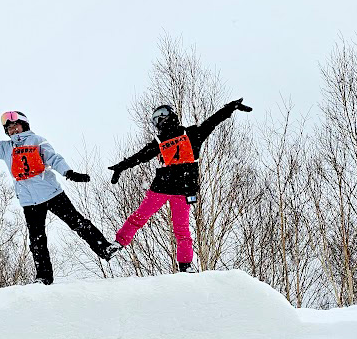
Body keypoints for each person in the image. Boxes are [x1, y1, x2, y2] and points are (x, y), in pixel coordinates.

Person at [0, 111, 120, 285]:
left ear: (24, 125)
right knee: (37, 239)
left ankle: (104, 248)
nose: (14, 131)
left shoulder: (37, 141)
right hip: (29, 202)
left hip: (52, 193)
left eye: (16, 127)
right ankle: (44, 277)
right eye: (10, 129)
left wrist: (69, 173)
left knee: (77, 223)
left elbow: (54, 158)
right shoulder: (6, 148)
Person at [107, 99, 252, 272]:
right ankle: (121, 245)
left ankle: (184, 265)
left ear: (166, 117)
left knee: (173, 228)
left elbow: (212, 122)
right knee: (171, 227)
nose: (157, 123)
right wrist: (121, 167)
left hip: (173, 189)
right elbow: (141, 156)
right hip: (172, 189)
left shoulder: (183, 135)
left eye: (158, 119)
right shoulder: (175, 137)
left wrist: (229, 108)